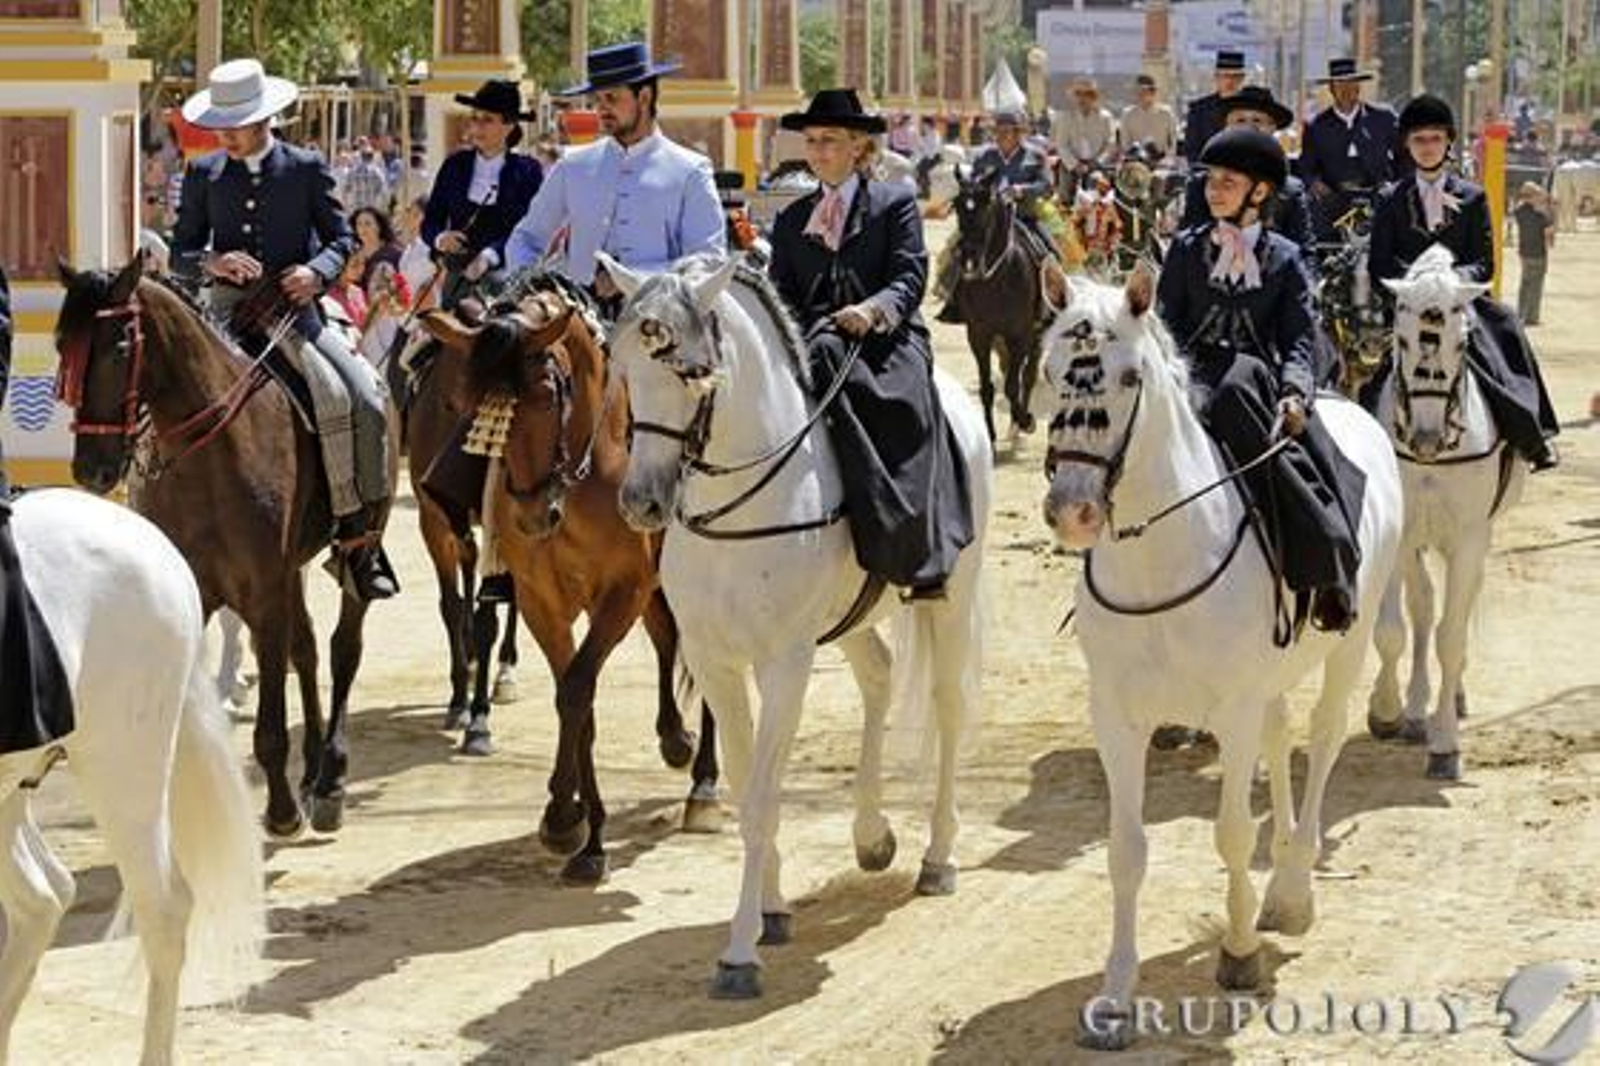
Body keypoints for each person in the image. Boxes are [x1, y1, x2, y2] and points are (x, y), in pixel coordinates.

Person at [172, 58, 397, 599]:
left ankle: (358, 538)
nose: (225, 135)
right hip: (224, 318)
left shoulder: (305, 168)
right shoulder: (203, 174)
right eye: (220, 125)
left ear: (265, 120)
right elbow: (181, 252)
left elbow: (342, 239)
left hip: (295, 314)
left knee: (363, 397)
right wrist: (213, 262)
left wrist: (316, 272)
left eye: (236, 124)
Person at [767, 89, 974, 601]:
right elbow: (781, 296)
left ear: (859, 146)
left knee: (904, 411)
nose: (817, 151)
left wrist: (872, 310)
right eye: (811, 141)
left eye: (829, 140)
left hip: (886, 341)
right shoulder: (792, 220)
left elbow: (908, 277)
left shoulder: (895, 203)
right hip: (817, 342)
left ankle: (915, 547)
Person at [1157, 128, 1365, 633]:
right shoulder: (1184, 249)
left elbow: (1298, 340)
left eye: (1228, 182)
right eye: (1210, 181)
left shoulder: (1287, 258)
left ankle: (1328, 560)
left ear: (1260, 192)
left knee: (1305, 451)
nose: (1214, 191)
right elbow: (1165, 325)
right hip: (1186, 377)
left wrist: (1294, 392)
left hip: (1255, 383)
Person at [1368, 94, 1560, 471]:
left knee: (1506, 328)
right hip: (1406, 304)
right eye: (1419, 140)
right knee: (1369, 371)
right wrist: (1420, 284)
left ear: (1448, 142)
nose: (1427, 147)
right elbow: (1380, 263)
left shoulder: (1473, 197)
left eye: (1435, 139)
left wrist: (1450, 283)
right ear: (1407, 144)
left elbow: (1484, 263)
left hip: (1459, 302)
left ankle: (1535, 433)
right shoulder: (1390, 199)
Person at [505, 41, 724, 293]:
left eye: (611, 98)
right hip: (579, 312)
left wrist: (633, 279)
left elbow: (707, 262)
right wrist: (529, 287)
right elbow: (526, 238)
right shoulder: (572, 165)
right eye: (597, 99)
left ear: (644, 97)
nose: (601, 108)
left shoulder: (691, 171)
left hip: (659, 312)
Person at [0, 263, 77, 753]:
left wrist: (314, 273)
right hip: (224, 300)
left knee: (336, 385)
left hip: (289, 309)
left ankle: (18, 715)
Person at [421, 79, 544, 309]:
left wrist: (489, 256)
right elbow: (431, 221)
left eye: (487, 120)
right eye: (475, 118)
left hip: (506, 279)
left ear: (508, 126)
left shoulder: (528, 171)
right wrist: (441, 239)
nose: (477, 127)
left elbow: (530, 229)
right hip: (457, 280)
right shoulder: (454, 165)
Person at [936, 106, 1060, 323]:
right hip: (987, 221)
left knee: (1052, 253)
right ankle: (954, 302)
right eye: (997, 131)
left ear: (1018, 133)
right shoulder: (985, 156)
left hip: (1024, 218)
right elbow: (973, 182)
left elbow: (1047, 186)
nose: (1000, 135)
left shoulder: (1036, 156)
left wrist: (1022, 190)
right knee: (953, 251)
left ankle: (1051, 305)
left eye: (1006, 131)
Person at [1181, 85, 1316, 264]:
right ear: (1226, 127)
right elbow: (1187, 250)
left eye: (1257, 120)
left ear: (1272, 129)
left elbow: (1305, 255)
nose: (1248, 127)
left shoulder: (1290, 190)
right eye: (1240, 120)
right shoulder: (1201, 186)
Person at [1299, 58, 1399, 242]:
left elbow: (1403, 156)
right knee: (1320, 231)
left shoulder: (1383, 118)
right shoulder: (1316, 126)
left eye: (1351, 83)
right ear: (1331, 89)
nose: (1346, 90)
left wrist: (1393, 184)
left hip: (1377, 196)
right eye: (1340, 85)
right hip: (1334, 199)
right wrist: (1314, 183)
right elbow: (1306, 167)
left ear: (1358, 87)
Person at [1181, 50, 1248, 165]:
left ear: (1242, 79)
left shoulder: (1252, 109)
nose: (1230, 81)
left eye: (1235, 76)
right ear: (1216, 77)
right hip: (1208, 170)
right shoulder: (1199, 110)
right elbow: (1192, 150)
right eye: (1225, 76)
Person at [1053, 77, 1119, 189]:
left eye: (1087, 94)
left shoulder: (1105, 118)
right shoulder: (1065, 118)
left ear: (1094, 97)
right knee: (1066, 188)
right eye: (1078, 94)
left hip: (1098, 164)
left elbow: (1110, 144)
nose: (1082, 98)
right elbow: (1062, 145)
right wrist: (1075, 165)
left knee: (1103, 188)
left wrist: (1097, 162)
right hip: (1072, 166)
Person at [1513, 182, 1554, 325]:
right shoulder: (1541, 214)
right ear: (1532, 196)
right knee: (1536, 285)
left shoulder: (1518, 211)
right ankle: (1532, 317)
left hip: (1524, 252)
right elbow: (1549, 233)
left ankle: (1520, 314)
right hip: (1538, 253)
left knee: (1525, 284)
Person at [1120, 74, 1178, 160]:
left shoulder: (1166, 114)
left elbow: (1173, 141)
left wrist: (1167, 158)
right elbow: (1125, 143)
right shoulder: (1128, 114)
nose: (1140, 95)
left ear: (1153, 92)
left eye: (1144, 91)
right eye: (1137, 91)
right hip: (1137, 160)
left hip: (1162, 161)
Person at [350, 205, 403, 290]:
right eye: (359, 224)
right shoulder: (353, 254)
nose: (362, 228)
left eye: (368, 224)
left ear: (378, 227)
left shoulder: (394, 253)